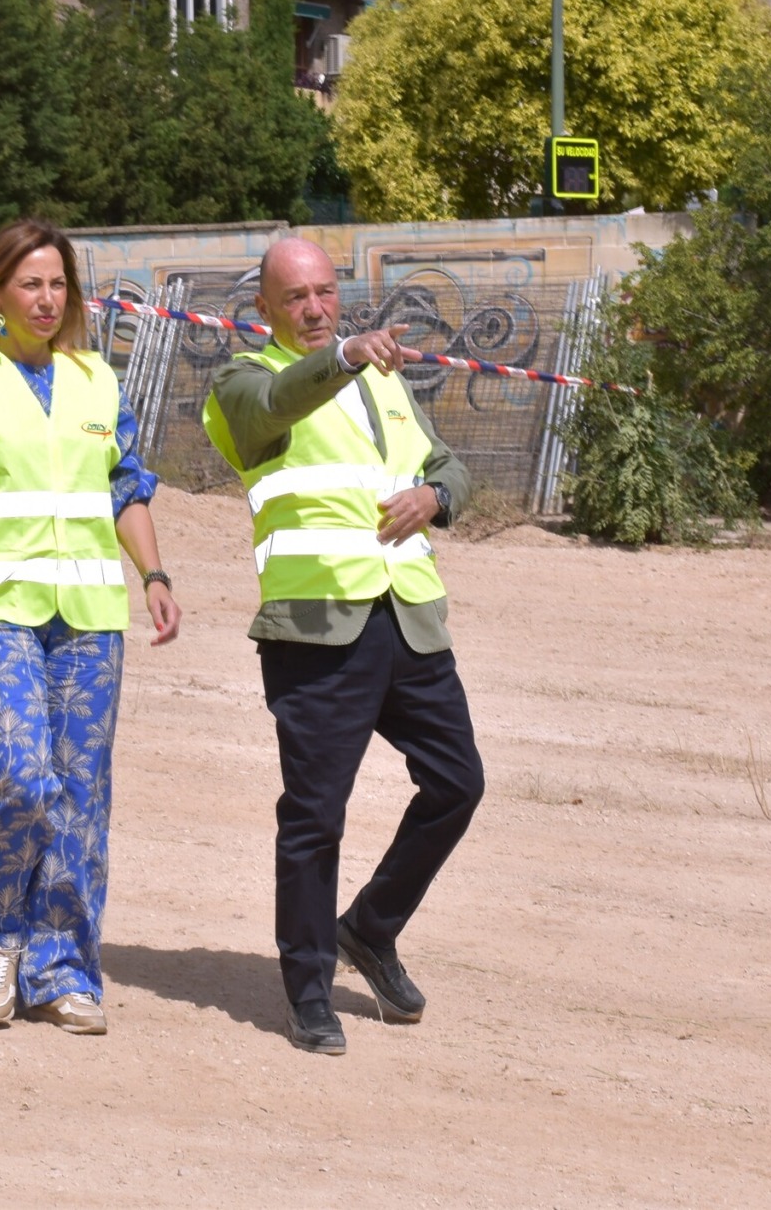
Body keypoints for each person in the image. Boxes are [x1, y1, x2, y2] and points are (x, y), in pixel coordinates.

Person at [0, 217, 181, 1034]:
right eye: (31, 283)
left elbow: (125, 487)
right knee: (20, 777)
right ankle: (0, 940)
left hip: (88, 617)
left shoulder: (97, 380)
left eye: (58, 283)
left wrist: (154, 574)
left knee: (81, 796)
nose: (47, 298)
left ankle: (63, 970)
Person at [202, 238, 485, 1056]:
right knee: (316, 815)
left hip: (409, 617)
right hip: (316, 628)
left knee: (458, 783)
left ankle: (369, 926)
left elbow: (449, 464)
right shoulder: (242, 384)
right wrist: (346, 357)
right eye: (296, 297)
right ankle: (308, 988)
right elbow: (277, 402)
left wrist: (435, 494)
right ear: (264, 308)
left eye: (325, 291)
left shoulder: (383, 380)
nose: (315, 308)